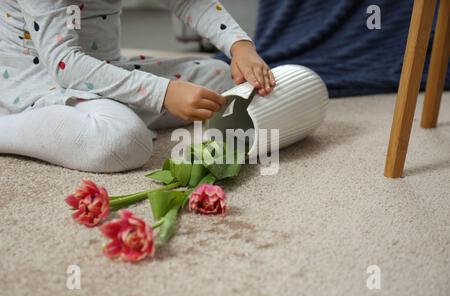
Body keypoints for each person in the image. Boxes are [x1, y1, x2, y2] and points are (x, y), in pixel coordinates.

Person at [0, 0, 275, 172]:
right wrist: (163, 92)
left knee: (222, 78)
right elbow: (64, 64)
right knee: (123, 141)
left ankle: (110, 109)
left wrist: (240, 46)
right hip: (43, 82)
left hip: (106, 70)